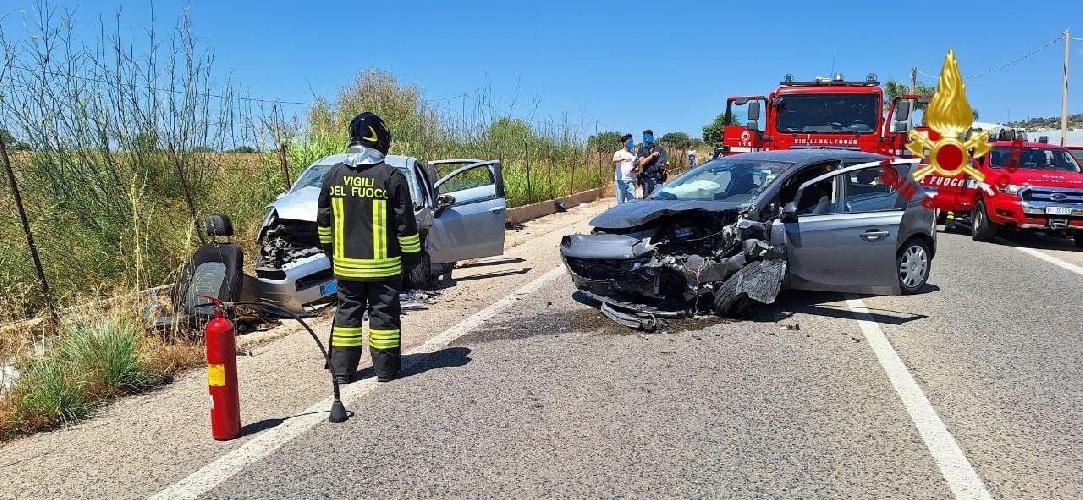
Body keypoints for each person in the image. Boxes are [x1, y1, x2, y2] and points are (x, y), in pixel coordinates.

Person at [316, 111, 422, 384]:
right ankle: (386, 371)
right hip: (384, 269)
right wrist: (411, 259)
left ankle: (342, 372)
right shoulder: (391, 177)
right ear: (380, 138)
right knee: (383, 316)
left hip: (346, 267)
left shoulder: (334, 176)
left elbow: (324, 225)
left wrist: (332, 255)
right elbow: (406, 226)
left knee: (346, 317)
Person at [636, 129, 668, 197]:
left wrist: (664, 166)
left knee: (659, 199)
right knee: (647, 200)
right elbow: (642, 162)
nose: (646, 139)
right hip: (647, 179)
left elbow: (667, 164)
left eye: (647, 137)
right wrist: (651, 156)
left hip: (658, 179)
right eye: (645, 137)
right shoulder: (642, 150)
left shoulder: (660, 149)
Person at [613, 133, 637, 204]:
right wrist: (623, 158)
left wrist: (636, 169)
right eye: (629, 141)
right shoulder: (619, 153)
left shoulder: (634, 154)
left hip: (631, 180)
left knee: (632, 202)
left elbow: (636, 165)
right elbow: (614, 160)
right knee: (621, 202)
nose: (631, 143)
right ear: (624, 143)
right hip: (621, 181)